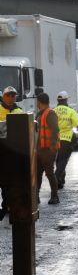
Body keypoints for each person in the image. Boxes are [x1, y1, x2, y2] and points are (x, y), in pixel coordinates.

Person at [0, 86, 22, 219]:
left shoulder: (19, 111)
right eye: (8, 95)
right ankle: (6, 204)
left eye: (13, 95)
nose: (11, 97)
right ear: (4, 96)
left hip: (13, 151)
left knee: (10, 181)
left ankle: (8, 204)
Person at [54, 91, 78, 189]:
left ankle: (60, 180)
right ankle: (56, 178)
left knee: (58, 160)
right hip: (66, 139)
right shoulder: (70, 111)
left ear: (58, 100)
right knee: (63, 160)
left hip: (53, 140)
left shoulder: (53, 111)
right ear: (66, 100)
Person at [35, 92, 60, 205]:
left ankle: (55, 196)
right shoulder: (39, 114)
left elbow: (55, 130)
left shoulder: (50, 113)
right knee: (38, 173)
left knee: (49, 173)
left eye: (37, 102)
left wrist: (53, 146)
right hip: (40, 149)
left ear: (39, 102)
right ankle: (35, 196)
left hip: (48, 149)